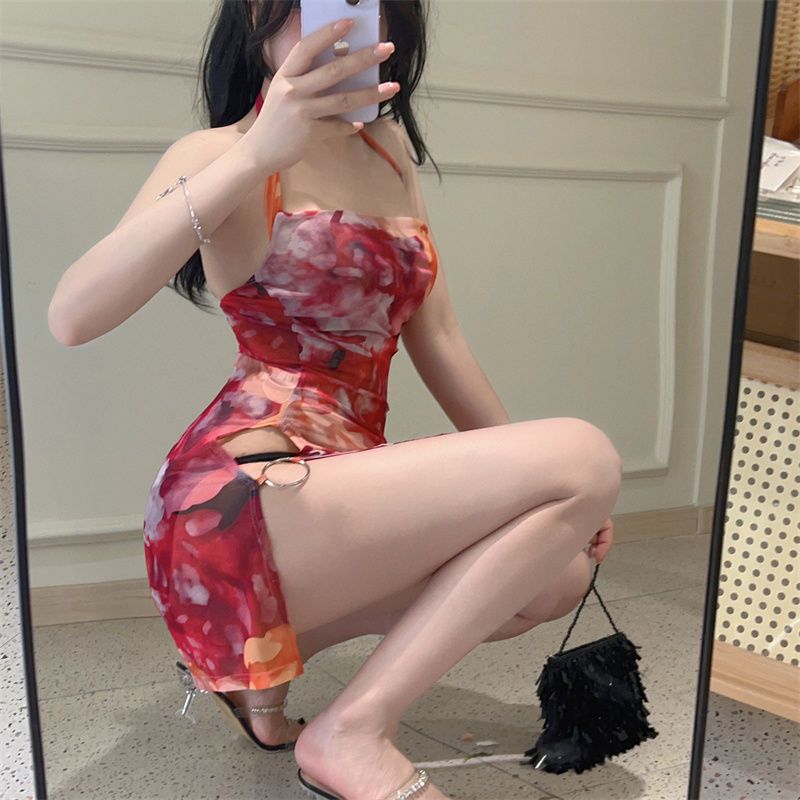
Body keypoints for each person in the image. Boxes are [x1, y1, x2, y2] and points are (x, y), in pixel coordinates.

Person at [47, 3, 621, 799]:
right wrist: (257, 155)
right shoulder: (219, 152)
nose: (336, 26)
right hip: (239, 489)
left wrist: (556, 495)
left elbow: (439, 337)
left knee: (559, 574)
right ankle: (353, 730)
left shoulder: (389, 155)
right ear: (258, 15)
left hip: (338, 476)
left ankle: (263, 676)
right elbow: (72, 317)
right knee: (586, 454)